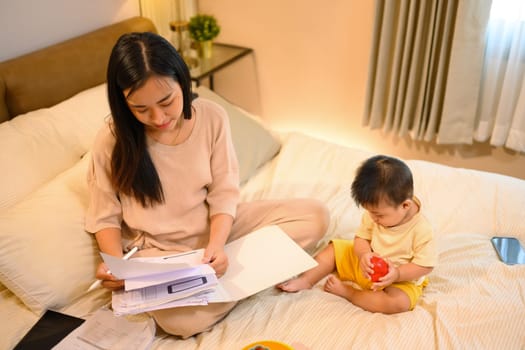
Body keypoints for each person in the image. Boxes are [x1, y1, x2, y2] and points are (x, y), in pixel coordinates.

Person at [84, 31, 329, 338]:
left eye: (166, 101)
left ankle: (214, 283)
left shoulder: (212, 117)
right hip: (159, 253)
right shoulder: (111, 140)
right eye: (141, 109)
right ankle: (235, 280)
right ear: (123, 102)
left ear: (182, 81)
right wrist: (117, 267)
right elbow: (104, 213)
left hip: (214, 230)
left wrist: (216, 244)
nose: (158, 117)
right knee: (180, 324)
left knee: (315, 216)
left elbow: (224, 192)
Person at [278, 155, 437, 314]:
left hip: (400, 278)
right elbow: (361, 238)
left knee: (398, 303)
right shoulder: (375, 212)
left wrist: (397, 274)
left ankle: (350, 293)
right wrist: (364, 255)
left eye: (379, 215)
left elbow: (424, 265)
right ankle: (306, 279)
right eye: (370, 212)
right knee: (334, 249)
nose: (373, 218)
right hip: (366, 264)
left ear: (405, 205)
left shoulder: (422, 229)